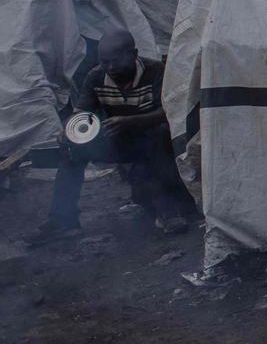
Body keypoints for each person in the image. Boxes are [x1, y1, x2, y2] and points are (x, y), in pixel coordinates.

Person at [27, 29, 200, 245]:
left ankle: (168, 211)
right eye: (105, 62)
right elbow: (82, 115)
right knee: (71, 153)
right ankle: (63, 221)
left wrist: (132, 122)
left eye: (115, 62)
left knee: (160, 134)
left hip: (153, 143)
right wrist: (69, 132)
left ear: (134, 53)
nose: (110, 68)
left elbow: (169, 112)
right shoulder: (96, 76)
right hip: (117, 141)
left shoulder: (155, 71)